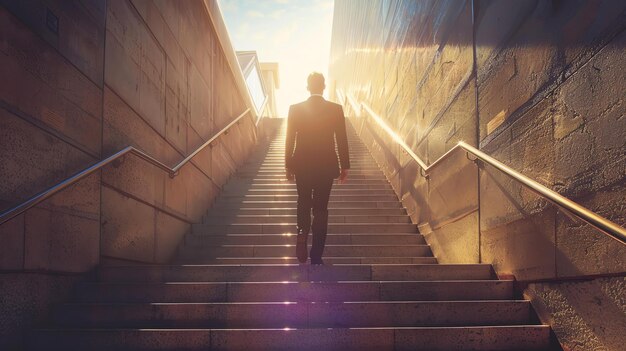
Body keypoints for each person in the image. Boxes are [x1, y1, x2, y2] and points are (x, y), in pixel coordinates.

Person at [285, 72, 350, 265]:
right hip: (326, 166)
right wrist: (344, 166)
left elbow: (289, 139)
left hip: (302, 165)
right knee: (321, 209)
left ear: (308, 87)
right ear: (324, 87)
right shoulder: (335, 109)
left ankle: (301, 232)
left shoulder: (295, 109)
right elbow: (342, 139)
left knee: (303, 201)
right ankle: (316, 255)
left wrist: (288, 165)